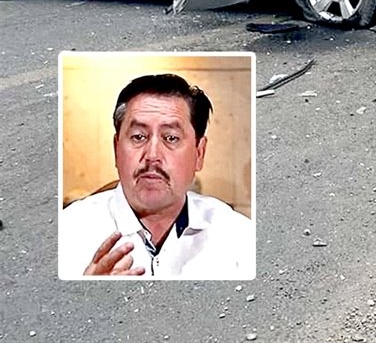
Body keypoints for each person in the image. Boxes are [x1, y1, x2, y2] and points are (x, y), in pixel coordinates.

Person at [59, 74, 254, 279]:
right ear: (117, 149)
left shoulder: (237, 235)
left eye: (171, 138)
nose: (152, 156)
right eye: (138, 137)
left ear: (199, 153)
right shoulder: (68, 231)